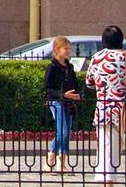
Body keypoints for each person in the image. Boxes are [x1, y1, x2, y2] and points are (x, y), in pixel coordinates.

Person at [87, 25, 126, 187]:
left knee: (107, 151)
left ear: (103, 42)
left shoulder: (97, 58)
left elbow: (89, 82)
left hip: (106, 111)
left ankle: (109, 184)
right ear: (121, 41)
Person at [43, 36, 84, 175]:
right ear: (57, 49)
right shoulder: (52, 67)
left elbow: (74, 85)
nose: (68, 51)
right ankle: (52, 159)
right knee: (63, 131)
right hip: (56, 102)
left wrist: (76, 95)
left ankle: (61, 162)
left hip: (69, 103)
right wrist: (62, 94)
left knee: (67, 134)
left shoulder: (70, 67)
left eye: (69, 49)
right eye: (65, 48)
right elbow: (47, 89)